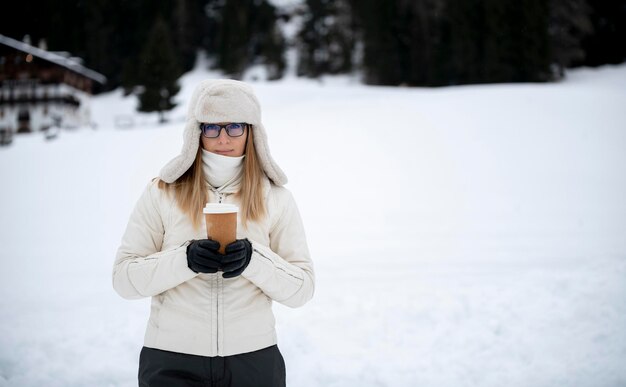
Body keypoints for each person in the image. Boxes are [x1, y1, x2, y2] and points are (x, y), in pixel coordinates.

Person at [112, 79, 315, 387]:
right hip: (171, 360)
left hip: (254, 361)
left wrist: (254, 259)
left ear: (251, 132)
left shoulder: (275, 197)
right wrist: (185, 260)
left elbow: (302, 289)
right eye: (212, 127)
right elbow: (124, 279)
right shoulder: (161, 192)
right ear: (196, 132)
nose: (223, 138)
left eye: (234, 126)